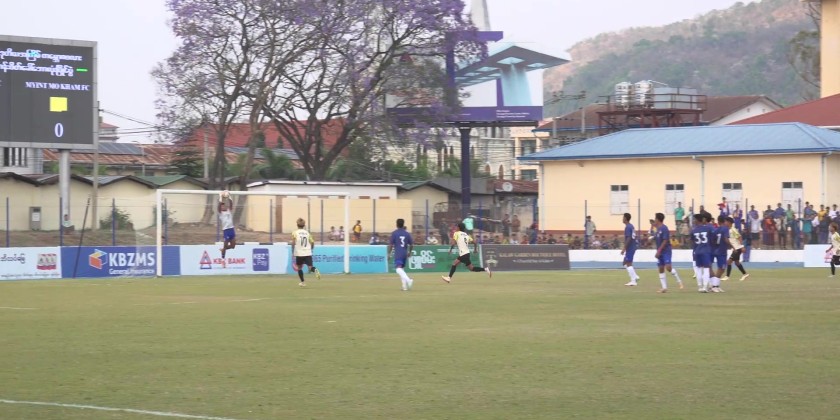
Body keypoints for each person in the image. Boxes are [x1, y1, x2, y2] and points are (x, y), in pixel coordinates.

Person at [653, 212, 683, 293]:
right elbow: (657, 239)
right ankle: (664, 288)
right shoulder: (657, 229)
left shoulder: (664, 228)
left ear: (658, 219)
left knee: (668, 268)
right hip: (660, 251)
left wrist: (659, 251)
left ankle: (679, 281)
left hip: (666, 251)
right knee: (661, 268)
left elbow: (665, 240)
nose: (654, 220)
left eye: (655, 218)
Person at [292, 218, 320, 287]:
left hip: (299, 253)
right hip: (307, 252)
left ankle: (303, 282)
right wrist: (311, 249)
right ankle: (315, 270)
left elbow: (293, 243)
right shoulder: (307, 233)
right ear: (304, 225)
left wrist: (292, 252)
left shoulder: (295, 232)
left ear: (297, 225)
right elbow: (312, 242)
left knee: (299, 268)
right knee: (310, 268)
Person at [388, 218, 414, 291]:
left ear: (396, 224)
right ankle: (404, 287)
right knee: (402, 269)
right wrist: (409, 252)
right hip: (404, 253)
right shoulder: (407, 233)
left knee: (398, 269)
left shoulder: (394, 233)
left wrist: (389, 254)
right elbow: (412, 244)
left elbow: (391, 245)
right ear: (403, 224)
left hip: (398, 253)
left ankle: (409, 280)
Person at [722, 216, 750, 282]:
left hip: (737, 248)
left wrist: (742, 247)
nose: (725, 223)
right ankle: (745, 274)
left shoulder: (733, 230)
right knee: (737, 262)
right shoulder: (728, 230)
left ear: (729, 222)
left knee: (729, 261)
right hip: (735, 248)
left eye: (725, 221)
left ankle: (727, 276)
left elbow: (739, 237)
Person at [691, 213, 714, 292]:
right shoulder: (707, 228)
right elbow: (712, 239)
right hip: (706, 251)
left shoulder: (693, 230)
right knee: (706, 269)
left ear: (697, 220)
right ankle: (705, 287)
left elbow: (693, 242)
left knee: (699, 269)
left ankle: (700, 287)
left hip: (697, 251)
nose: (693, 221)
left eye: (694, 219)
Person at [709, 215, 730, 293]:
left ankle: (715, 285)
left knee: (714, 267)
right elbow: (726, 239)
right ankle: (715, 286)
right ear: (725, 221)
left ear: (718, 221)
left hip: (714, 250)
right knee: (722, 268)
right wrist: (733, 246)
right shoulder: (725, 228)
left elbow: (713, 240)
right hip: (722, 251)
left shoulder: (716, 230)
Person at [620, 213, 640, 286]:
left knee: (628, 263)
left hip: (630, 247)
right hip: (632, 247)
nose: (622, 219)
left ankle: (633, 281)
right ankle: (635, 276)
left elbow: (629, 238)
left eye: (623, 217)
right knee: (624, 263)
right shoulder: (631, 226)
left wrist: (624, 248)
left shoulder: (628, 227)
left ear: (625, 218)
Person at [218, 192, 236, 265]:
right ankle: (223, 259)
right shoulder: (220, 213)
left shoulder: (228, 210)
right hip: (226, 231)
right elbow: (219, 206)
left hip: (232, 229)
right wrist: (221, 196)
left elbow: (231, 204)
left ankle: (223, 249)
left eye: (224, 206)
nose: (223, 207)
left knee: (233, 246)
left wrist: (229, 196)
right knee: (225, 245)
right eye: (222, 206)